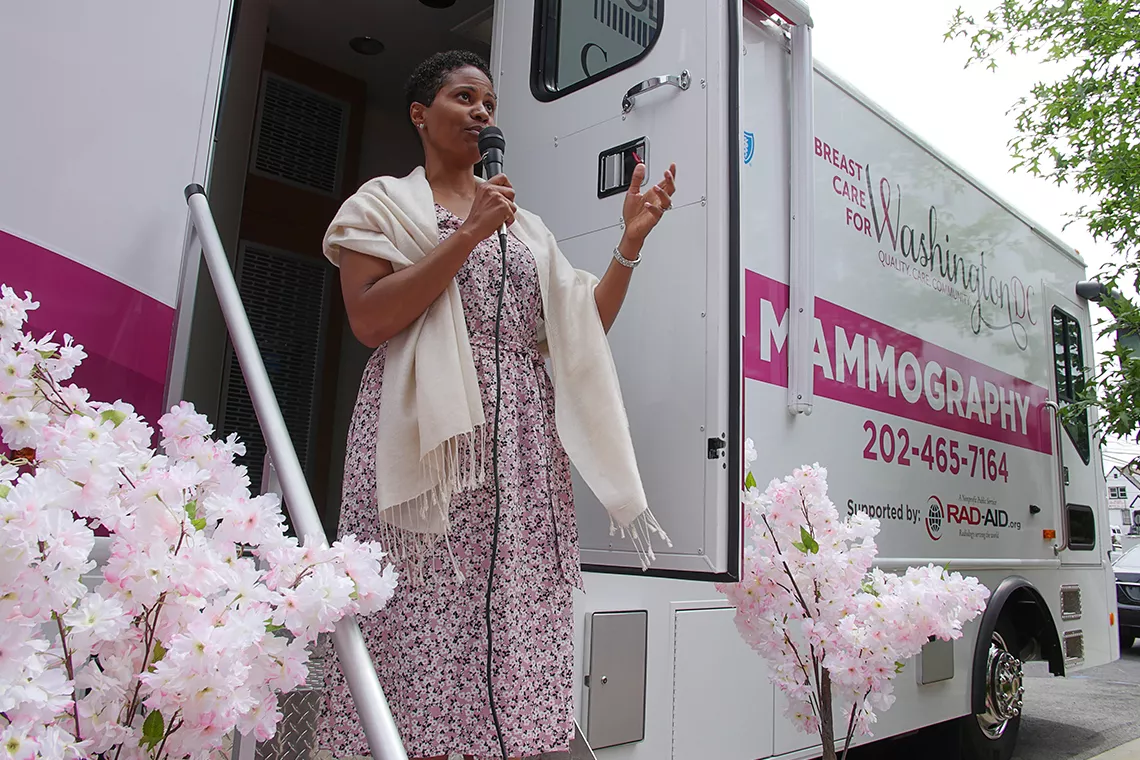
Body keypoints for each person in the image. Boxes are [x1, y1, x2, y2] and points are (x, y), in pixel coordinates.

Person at [315, 49, 676, 760]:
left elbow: (577, 331)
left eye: (489, 103)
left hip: (517, 445)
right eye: (462, 97)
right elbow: (369, 321)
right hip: (428, 439)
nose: (481, 112)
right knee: (421, 605)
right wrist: (471, 233)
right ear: (420, 115)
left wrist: (627, 246)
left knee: (510, 602)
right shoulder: (381, 204)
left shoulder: (527, 228)